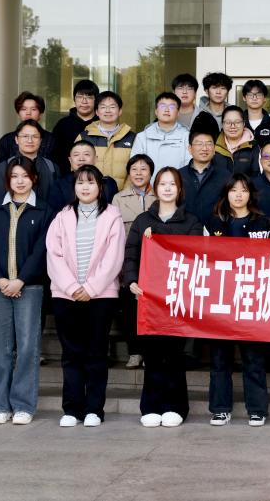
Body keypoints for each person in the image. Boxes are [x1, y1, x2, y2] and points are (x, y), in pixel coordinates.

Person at [123, 166, 205, 427]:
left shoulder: (191, 221)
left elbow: (192, 253)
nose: (167, 188)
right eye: (162, 184)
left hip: (178, 297)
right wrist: (131, 281)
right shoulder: (142, 221)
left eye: (172, 184)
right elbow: (131, 253)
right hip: (149, 297)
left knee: (174, 353)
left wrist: (158, 237)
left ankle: (175, 407)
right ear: (155, 188)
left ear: (179, 190)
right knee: (152, 353)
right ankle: (151, 406)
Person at [46, 165, 124, 428]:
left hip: (100, 296)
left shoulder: (112, 216)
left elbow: (114, 257)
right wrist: (71, 287)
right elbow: (53, 255)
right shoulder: (62, 216)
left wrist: (90, 288)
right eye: (80, 183)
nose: (85, 187)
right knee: (71, 354)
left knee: (96, 353)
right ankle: (71, 408)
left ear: (100, 187)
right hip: (65, 295)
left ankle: (94, 409)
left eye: (91, 182)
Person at [0, 156, 53, 426]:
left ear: (34, 179)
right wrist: (0, 280)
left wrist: (21, 280)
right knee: (0, 349)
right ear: (7, 180)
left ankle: (23, 405)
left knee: (27, 348)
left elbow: (41, 251)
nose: (20, 181)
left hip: (29, 288)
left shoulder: (44, 211)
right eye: (14, 176)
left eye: (25, 176)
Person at [204, 174, 270, 427]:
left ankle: (257, 409)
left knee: (253, 357)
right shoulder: (213, 222)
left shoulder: (263, 223)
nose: (238, 195)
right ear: (226, 194)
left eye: (243, 190)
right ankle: (220, 408)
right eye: (233, 190)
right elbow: (202, 256)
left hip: (251, 297)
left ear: (250, 194)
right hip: (220, 297)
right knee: (220, 357)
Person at [111, 154, 155, 370]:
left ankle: (149, 352)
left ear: (151, 173)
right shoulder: (119, 198)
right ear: (128, 173)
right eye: (134, 169)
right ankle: (134, 352)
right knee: (130, 311)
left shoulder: (160, 197)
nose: (139, 173)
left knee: (151, 311)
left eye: (143, 169)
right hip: (130, 261)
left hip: (155, 265)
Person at [0, 120, 58, 205]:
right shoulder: (3, 168)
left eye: (35, 136)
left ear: (41, 140)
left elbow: (56, 203)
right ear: (16, 139)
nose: (30, 140)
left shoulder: (52, 168)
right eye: (25, 136)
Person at [76, 90, 135, 190]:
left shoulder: (132, 138)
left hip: (123, 195)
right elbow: (76, 167)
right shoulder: (84, 137)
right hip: (90, 193)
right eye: (103, 107)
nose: (108, 111)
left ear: (120, 111)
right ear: (97, 112)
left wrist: (124, 195)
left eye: (112, 107)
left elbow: (136, 169)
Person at [130, 92, 193, 181]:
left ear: (178, 113)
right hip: (149, 188)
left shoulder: (187, 136)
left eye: (172, 107)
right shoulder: (142, 137)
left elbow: (190, 167)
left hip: (177, 186)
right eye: (162, 106)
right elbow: (135, 167)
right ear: (156, 111)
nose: (167, 110)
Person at [179, 130, 233, 226]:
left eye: (209, 144)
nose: (204, 148)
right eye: (199, 144)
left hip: (216, 231)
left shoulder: (226, 176)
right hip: (184, 230)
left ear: (214, 149)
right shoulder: (178, 175)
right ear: (190, 149)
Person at [48, 141, 120, 210]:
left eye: (86, 154)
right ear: (70, 160)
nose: (81, 159)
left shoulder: (108, 183)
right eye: (76, 155)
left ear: (95, 159)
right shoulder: (60, 184)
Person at [51, 79, 100, 175]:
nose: (84, 101)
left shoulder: (101, 124)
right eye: (80, 97)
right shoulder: (62, 125)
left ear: (96, 100)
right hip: (67, 178)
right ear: (74, 99)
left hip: (97, 178)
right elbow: (55, 156)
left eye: (89, 97)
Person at [0, 92, 54, 164]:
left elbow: (55, 168)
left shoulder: (51, 140)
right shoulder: (7, 140)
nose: (28, 113)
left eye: (33, 109)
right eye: (24, 109)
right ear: (18, 113)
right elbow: (0, 167)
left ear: (40, 114)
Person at [211, 105, 256, 174]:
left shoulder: (253, 146)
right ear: (222, 124)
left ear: (244, 123)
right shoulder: (213, 145)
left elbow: (257, 175)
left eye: (237, 122)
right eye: (228, 122)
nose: (232, 126)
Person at [192, 71, 232, 137]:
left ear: (228, 92)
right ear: (206, 91)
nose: (218, 92)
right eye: (214, 88)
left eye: (223, 88)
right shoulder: (197, 113)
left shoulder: (234, 114)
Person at [239, 79, 270, 144]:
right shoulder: (238, 122)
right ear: (244, 98)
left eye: (258, 95)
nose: (254, 98)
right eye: (250, 95)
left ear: (264, 98)